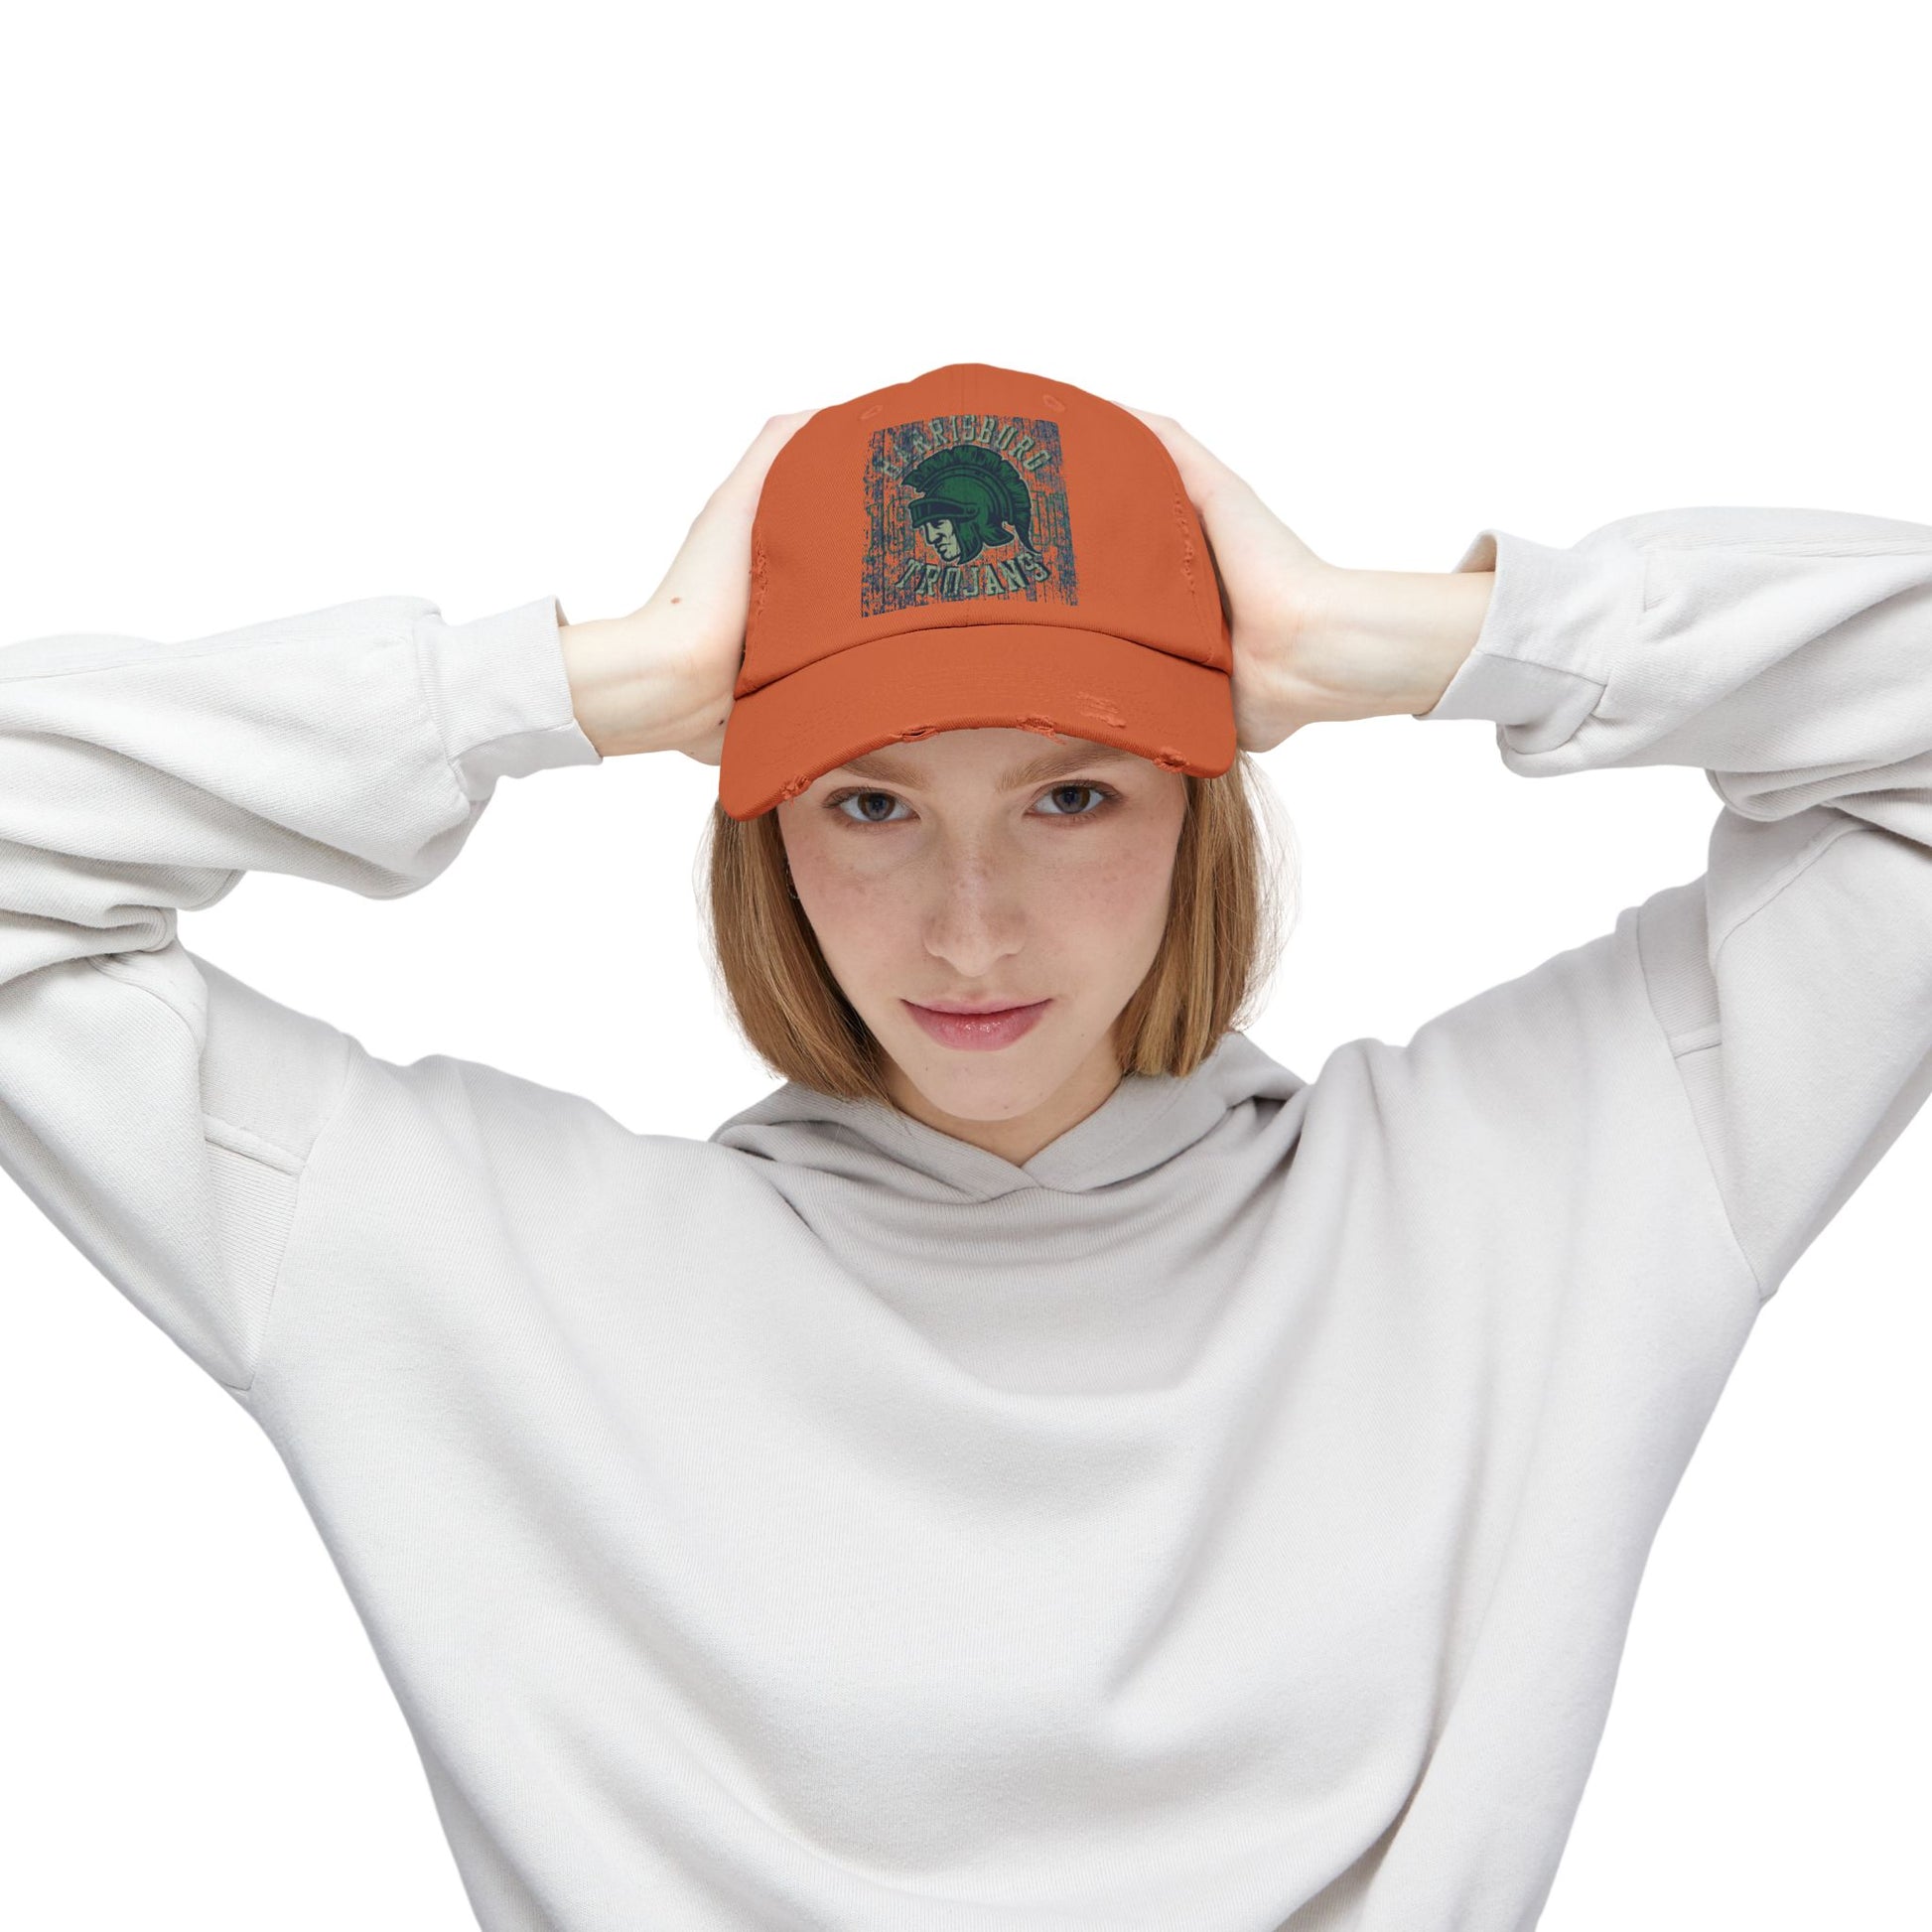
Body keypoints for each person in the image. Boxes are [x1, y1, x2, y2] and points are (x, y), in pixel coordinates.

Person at [2, 359, 1927, 1930]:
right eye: (869, 804)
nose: (972, 926)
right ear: (758, 826)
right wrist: (582, 683)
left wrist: (1396, 634)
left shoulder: (1527, 1188)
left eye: (1071, 795)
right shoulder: (474, 1261)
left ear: (1203, 804)